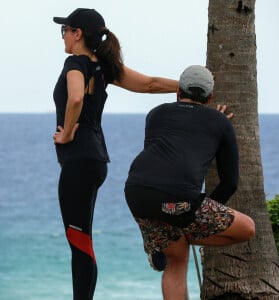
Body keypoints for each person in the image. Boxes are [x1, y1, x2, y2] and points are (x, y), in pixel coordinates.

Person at [52, 8, 178, 300]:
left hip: (79, 160)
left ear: (78, 34)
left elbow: (75, 97)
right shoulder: (105, 66)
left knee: (79, 242)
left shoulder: (75, 63)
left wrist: (69, 132)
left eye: (65, 31)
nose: (63, 36)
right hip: (96, 161)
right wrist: (188, 88)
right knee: (82, 240)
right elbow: (149, 84)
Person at [124, 65, 255, 300]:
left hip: (137, 191)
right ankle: (174, 236)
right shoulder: (219, 121)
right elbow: (230, 182)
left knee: (176, 257)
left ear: (178, 92)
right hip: (179, 201)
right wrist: (197, 215)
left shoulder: (156, 114)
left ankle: (163, 242)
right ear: (210, 97)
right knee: (247, 229)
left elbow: (162, 153)